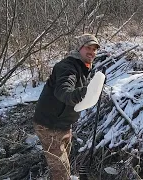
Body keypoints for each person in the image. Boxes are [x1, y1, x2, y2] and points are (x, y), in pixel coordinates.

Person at [33, 34, 100, 180]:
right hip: (48, 125)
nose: (92, 52)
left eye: (95, 49)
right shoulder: (67, 67)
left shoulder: (85, 67)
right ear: (79, 48)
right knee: (62, 172)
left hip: (64, 123)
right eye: (88, 47)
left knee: (61, 166)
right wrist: (85, 91)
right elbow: (64, 92)